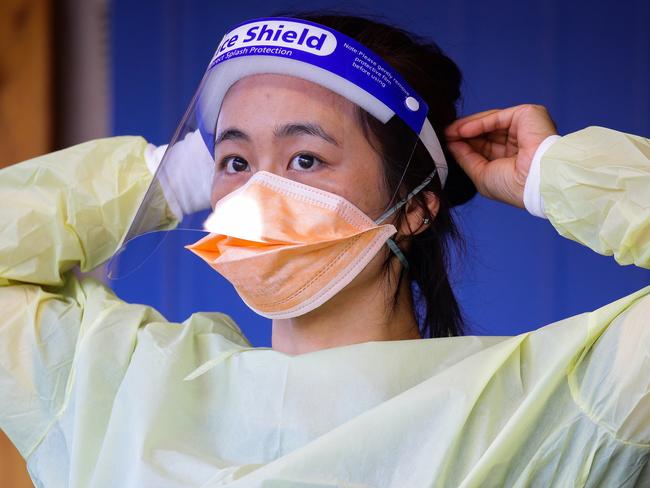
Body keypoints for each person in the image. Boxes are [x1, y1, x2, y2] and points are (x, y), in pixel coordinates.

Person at [0, 13, 648, 488]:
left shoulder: (542, 406)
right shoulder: (113, 385)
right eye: (233, 161)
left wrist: (557, 172)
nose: (257, 193)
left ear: (416, 209)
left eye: (305, 158)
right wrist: (167, 176)